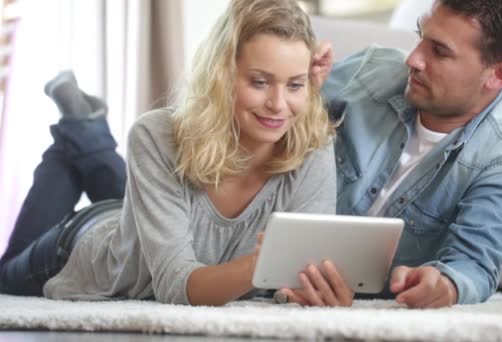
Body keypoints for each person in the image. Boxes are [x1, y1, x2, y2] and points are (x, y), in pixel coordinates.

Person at [0, 0, 337, 306]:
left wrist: (315, 287)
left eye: (294, 85)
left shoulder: (314, 147)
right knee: (4, 279)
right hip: (86, 246)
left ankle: (82, 131)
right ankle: (75, 137)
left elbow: (295, 280)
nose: (278, 105)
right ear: (222, 75)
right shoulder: (156, 135)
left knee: (139, 214)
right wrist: (267, 263)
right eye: (260, 82)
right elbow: (173, 286)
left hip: (143, 224)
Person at [277, 0, 502, 308]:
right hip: (277, 273)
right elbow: (271, 129)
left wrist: (444, 286)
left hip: (370, 309)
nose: (413, 59)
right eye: (421, 37)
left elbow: (474, 265)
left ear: (499, 75)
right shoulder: (370, 71)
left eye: (440, 51)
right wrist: (297, 82)